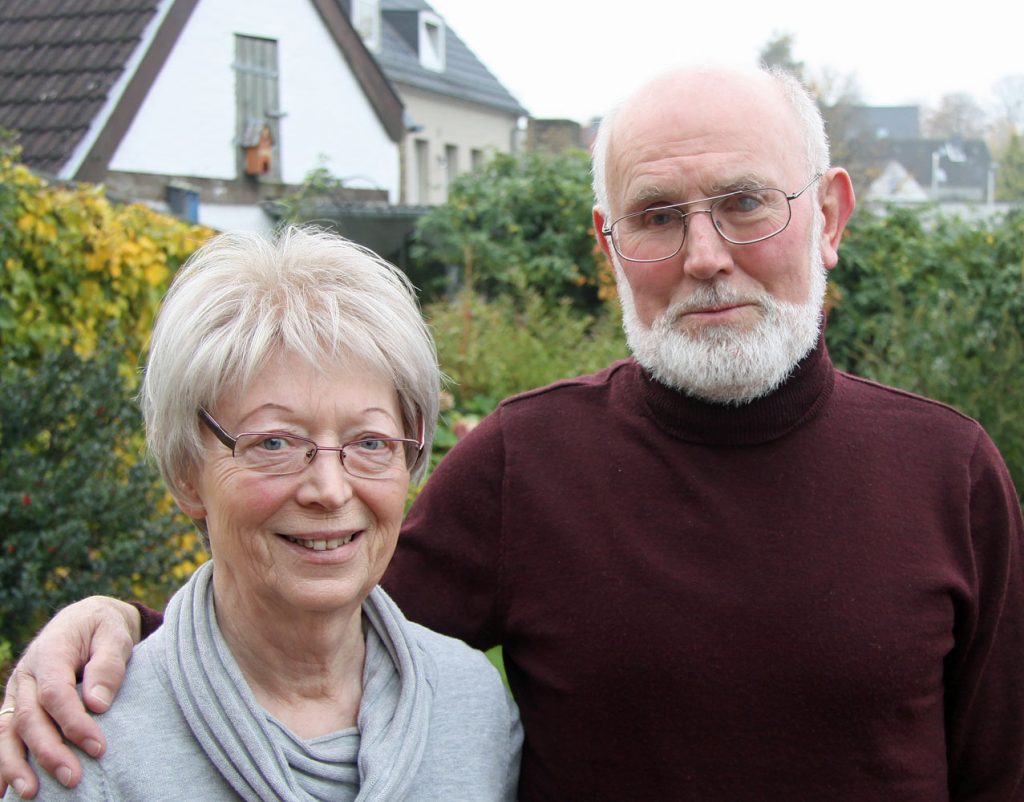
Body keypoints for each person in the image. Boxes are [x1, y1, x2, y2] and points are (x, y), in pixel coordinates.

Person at [3, 65, 1023, 800]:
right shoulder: (525, 466)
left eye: (746, 203)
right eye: (656, 215)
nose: (704, 253)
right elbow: (307, 597)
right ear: (607, 246)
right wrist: (124, 625)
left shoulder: (948, 474)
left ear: (831, 215)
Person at [0, 226, 521, 800]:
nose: (329, 488)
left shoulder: (474, 707)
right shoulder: (86, 741)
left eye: (370, 442)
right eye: (274, 443)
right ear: (185, 472)